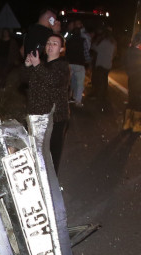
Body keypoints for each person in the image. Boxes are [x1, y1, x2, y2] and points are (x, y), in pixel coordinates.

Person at [25, 33, 71, 167]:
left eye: (55, 43)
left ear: (61, 49)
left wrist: (37, 65)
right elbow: (23, 80)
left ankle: (51, 185)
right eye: (49, 43)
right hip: (36, 115)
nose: (50, 45)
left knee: (51, 154)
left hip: (54, 118)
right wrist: (27, 65)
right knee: (36, 152)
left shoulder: (63, 66)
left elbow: (53, 80)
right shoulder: (41, 64)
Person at [65, 19, 91, 108]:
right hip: (80, 64)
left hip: (70, 63)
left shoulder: (68, 40)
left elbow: (66, 52)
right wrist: (87, 62)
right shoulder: (83, 40)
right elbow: (86, 52)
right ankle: (78, 101)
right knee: (80, 83)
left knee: (69, 82)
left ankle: (67, 98)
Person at [90, 29, 117, 102]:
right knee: (104, 79)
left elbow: (94, 48)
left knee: (99, 80)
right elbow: (115, 53)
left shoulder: (103, 42)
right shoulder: (113, 42)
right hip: (108, 63)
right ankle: (104, 94)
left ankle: (99, 95)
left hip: (101, 63)